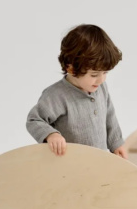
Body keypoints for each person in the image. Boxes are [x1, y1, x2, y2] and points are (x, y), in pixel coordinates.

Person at [26, 24, 128, 159]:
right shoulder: (57, 95)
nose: (101, 79)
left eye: (105, 72)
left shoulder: (101, 87)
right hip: (71, 164)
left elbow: (110, 116)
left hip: (100, 161)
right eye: (94, 74)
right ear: (71, 69)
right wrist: (51, 134)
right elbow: (34, 120)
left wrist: (116, 143)